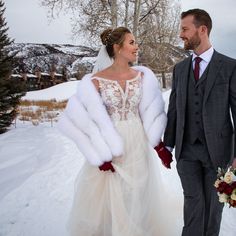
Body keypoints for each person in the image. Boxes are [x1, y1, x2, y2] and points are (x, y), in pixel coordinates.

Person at [58, 26, 173, 236]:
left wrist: (159, 146)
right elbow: (79, 121)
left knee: (137, 195)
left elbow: (149, 113)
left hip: (137, 144)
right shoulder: (94, 81)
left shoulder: (143, 77)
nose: (137, 47)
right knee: (113, 199)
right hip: (110, 147)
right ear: (117, 48)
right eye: (132, 42)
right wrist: (99, 155)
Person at [163, 8, 236, 236]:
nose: (180, 34)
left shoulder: (230, 67)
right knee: (194, 207)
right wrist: (168, 145)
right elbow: (174, 110)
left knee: (213, 212)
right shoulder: (180, 69)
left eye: (185, 29)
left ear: (202, 29)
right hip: (187, 153)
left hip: (219, 155)